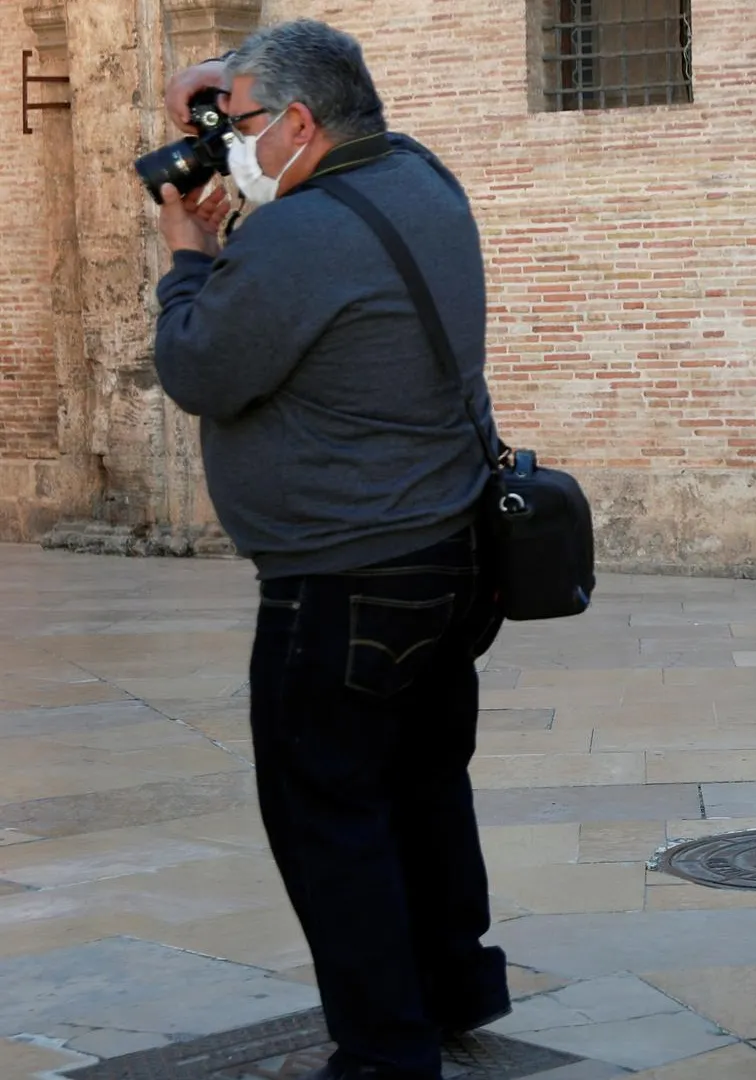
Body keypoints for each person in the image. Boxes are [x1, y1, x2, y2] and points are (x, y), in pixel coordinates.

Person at [152, 20, 510, 1080]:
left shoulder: (296, 237)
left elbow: (200, 371)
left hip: (344, 581)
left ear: (303, 123)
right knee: (425, 786)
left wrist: (188, 263)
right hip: (450, 551)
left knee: (329, 817)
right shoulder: (420, 177)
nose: (231, 145)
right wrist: (217, 83)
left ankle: (385, 1055)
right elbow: (301, 94)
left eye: (246, 123)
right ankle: (452, 989)